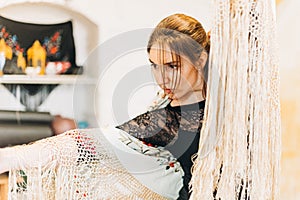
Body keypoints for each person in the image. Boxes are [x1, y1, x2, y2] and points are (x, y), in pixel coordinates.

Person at [0, 13, 210, 200]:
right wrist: (11, 159)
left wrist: (10, 158)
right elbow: (94, 146)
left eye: (173, 66)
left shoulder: (199, 114)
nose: (162, 78)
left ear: (200, 59)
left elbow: (88, 146)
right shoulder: (163, 106)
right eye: (155, 65)